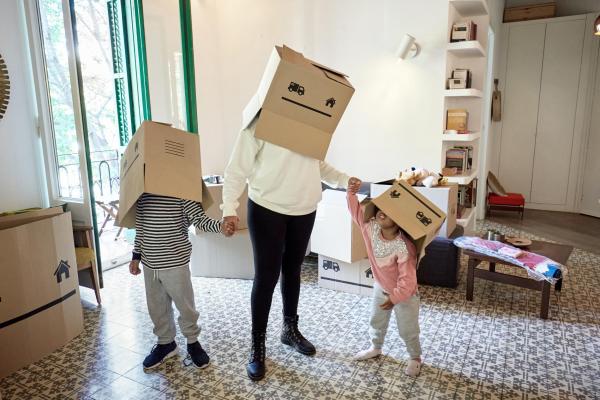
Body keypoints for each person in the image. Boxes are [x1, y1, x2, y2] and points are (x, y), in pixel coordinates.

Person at [222, 118, 361, 381]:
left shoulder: (309, 120)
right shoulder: (259, 121)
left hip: (304, 209)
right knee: (266, 277)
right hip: (266, 207)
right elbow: (236, 169)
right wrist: (228, 207)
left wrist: (343, 179)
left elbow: (315, 163)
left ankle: (290, 329)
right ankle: (257, 345)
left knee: (293, 270)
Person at [129, 193, 235, 369]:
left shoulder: (182, 191)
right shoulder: (143, 196)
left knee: (185, 306)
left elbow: (200, 220)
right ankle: (166, 343)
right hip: (150, 265)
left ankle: (193, 342)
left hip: (176, 264)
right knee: (157, 308)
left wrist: (220, 226)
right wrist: (136, 256)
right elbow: (140, 228)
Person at [346, 184, 423, 378]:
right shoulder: (371, 229)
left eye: (390, 213)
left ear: (399, 222)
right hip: (381, 287)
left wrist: (395, 298)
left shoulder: (404, 248)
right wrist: (351, 193)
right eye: (382, 208)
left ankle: (415, 357)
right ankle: (375, 347)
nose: (382, 212)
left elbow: (408, 281)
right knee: (376, 320)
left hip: (404, 295)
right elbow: (356, 213)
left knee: (408, 329)